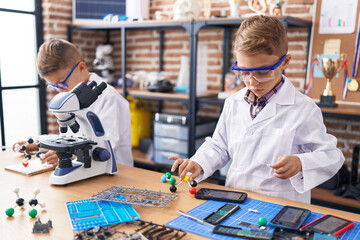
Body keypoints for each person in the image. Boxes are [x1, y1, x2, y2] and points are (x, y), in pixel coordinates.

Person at [169, 15, 344, 203]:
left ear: (285, 62)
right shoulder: (234, 102)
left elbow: (331, 156)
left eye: (262, 72)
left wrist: (301, 163)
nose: (252, 81)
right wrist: (199, 162)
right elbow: (219, 145)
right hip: (235, 197)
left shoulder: (304, 109)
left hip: (279, 204)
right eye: (244, 72)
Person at [13, 39, 133, 167]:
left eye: (62, 83)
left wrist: (70, 153)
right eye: (54, 87)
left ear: (81, 67)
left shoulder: (109, 98)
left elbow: (107, 146)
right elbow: (71, 138)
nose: (60, 91)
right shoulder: (71, 96)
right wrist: (39, 144)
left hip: (114, 172)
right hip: (84, 169)